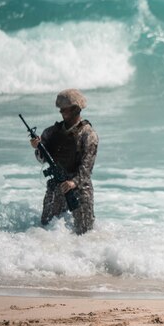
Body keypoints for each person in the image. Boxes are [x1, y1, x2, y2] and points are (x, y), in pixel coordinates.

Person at [29, 88, 99, 234]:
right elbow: (41, 159)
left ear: (75, 109)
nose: (61, 113)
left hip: (79, 187)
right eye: (60, 110)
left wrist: (74, 182)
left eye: (64, 110)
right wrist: (37, 148)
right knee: (45, 230)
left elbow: (87, 166)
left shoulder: (88, 134)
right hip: (57, 185)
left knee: (85, 233)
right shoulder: (51, 132)